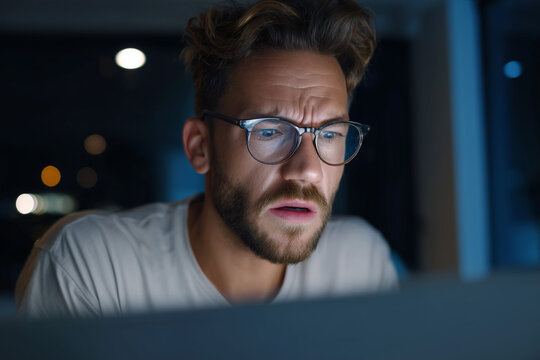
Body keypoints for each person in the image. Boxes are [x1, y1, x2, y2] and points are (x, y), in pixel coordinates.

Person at [15, 0, 398, 317]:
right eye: (268, 131)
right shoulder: (93, 267)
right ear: (200, 147)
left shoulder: (360, 263)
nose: (308, 170)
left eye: (330, 135)